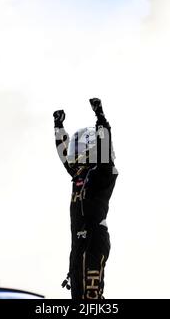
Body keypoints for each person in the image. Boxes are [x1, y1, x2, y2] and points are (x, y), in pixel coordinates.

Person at [53, 98, 118, 299]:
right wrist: (58, 127)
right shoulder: (78, 174)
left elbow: (105, 146)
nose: (75, 156)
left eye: (79, 149)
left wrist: (100, 117)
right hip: (77, 242)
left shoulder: (103, 172)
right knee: (76, 295)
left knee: (91, 298)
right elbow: (65, 157)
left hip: (94, 239)